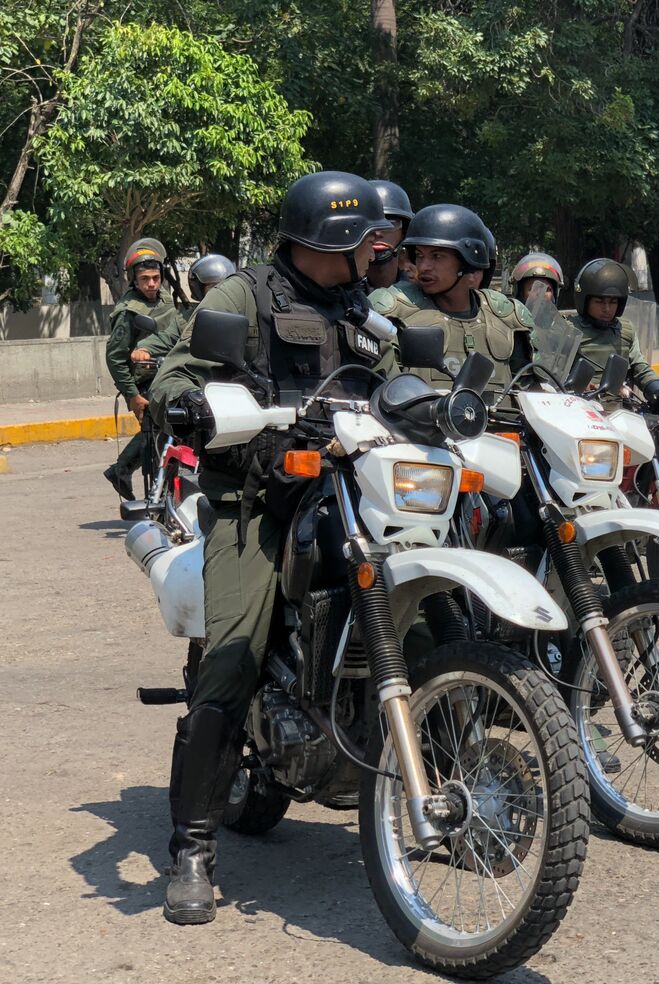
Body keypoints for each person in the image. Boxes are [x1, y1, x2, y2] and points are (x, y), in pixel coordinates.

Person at [149, 170, 397, 926]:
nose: (375, 252)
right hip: (254, 504)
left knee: (424, 613)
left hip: (350, 494)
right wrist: (189, 403)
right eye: (364, 241)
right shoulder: (243, 299)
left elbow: (399, 381)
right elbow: (171, 374)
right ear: (333, 241)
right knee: (231, 660)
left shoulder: (363, 309)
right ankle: (192, 848)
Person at [369, 204, 534, 394]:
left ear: (467, 260)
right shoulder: (392, 310)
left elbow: (533, 395)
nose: (424, 267)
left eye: (437, 256)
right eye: (420, 256)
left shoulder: (508, 317)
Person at [103, 238, 182, 499]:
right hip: (146, 382)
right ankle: (146, 488)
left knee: (171, 432)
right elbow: (115, 358)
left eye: (156, 278)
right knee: (158, 435)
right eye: (145, 279)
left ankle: (122, 470)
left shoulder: (166, 300)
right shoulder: (128, 311)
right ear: (134, 281)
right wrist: (132, 395)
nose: (151, 284)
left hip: (171, 375)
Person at [566, 257, 659, 401]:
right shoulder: (569, 330)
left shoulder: (626, 330)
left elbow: (639, 367)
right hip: (578, 406)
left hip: (620, 406)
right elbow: (552, 373)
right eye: (599, 301)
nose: (607, 308)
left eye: (613, 302)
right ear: (584, 300)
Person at [367, 179, 415, 290]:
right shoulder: (336, 294)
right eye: (369, 225)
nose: (378, 233)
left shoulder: (422, 290)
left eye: (390, 224)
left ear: (404, 232)